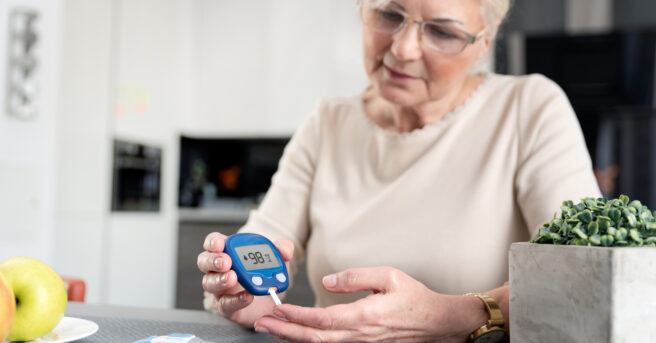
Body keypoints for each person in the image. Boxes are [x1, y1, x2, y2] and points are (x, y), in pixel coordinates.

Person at [197, 0, 601, 341]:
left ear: (484, 44)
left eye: (442, 32)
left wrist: (448, 316)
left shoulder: (530, 109)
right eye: (390, 14)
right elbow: (264, 242)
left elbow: (585, 278)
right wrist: (238, 291)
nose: (403, 48)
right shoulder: (327, 123)